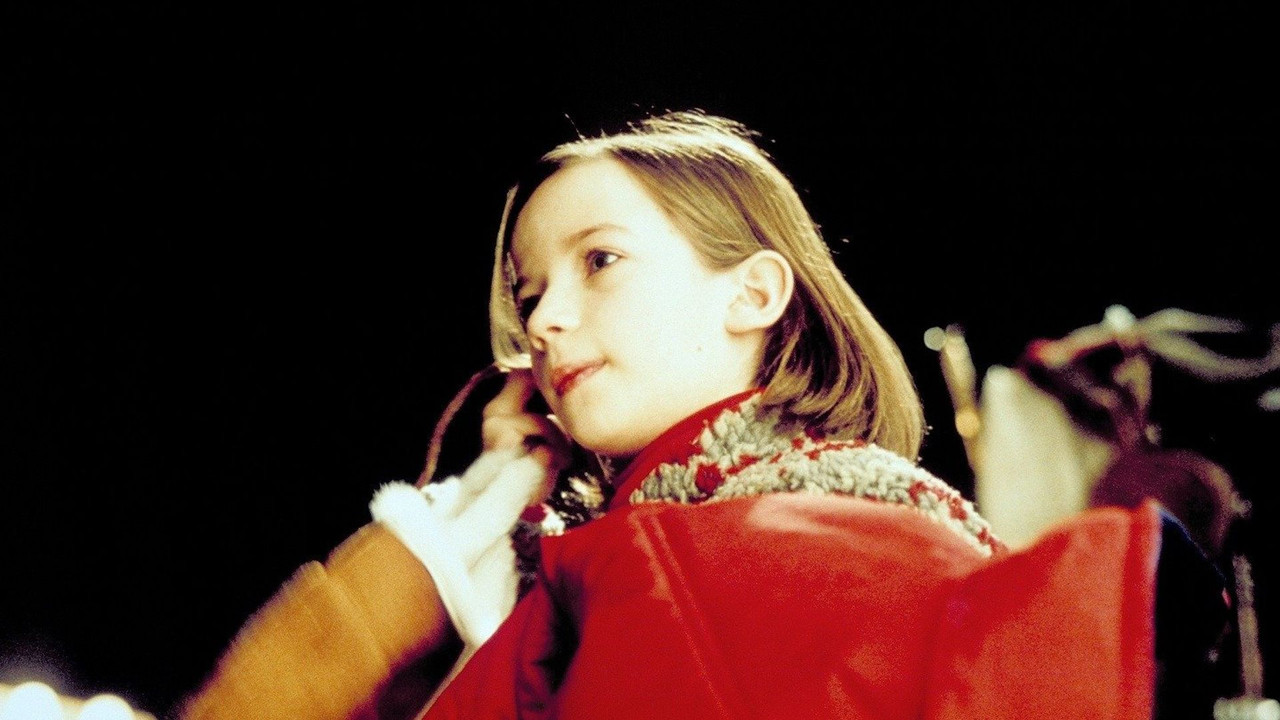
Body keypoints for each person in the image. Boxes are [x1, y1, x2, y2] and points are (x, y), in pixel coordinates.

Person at [176, 110, 1200, 720]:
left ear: (753, 294)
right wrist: (489, 506)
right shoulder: (633, 548)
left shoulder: (743, 548)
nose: (548, 319)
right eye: (528, 293)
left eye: (599, 260)